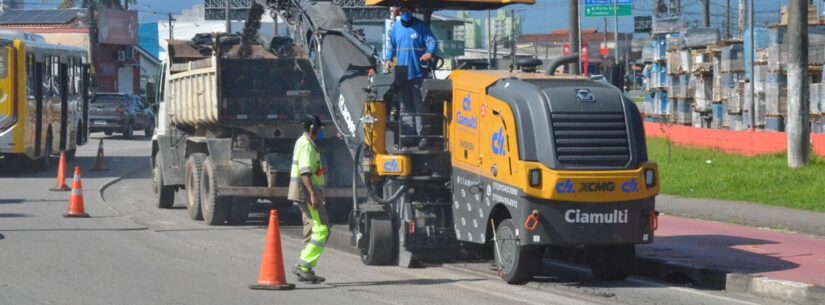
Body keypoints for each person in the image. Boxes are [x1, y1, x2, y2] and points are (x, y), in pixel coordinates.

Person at [384, 3, 438, 148]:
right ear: (399, 11)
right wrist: (388, 60)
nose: (405, 12)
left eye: (407, 9)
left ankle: (423, 137)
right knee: (405, 107)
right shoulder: (396, 29)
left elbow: (432, 42)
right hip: (402, 75)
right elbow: (391, 48)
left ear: (412, 10)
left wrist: (429, 53)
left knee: (421, 107)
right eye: (402, 10)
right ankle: (408, 137)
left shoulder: (421, 27)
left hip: (418, 74)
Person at [288, 114, 329, 283]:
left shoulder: (303, 142)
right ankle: (304, 265)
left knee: (312, 228)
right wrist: (312, 194)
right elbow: (305, 173)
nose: (320, 131)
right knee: (322, 229)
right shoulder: (306, 146)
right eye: (318, 129)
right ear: (313, 129)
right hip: (307, 193)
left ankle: (307, 269)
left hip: (305, 192)